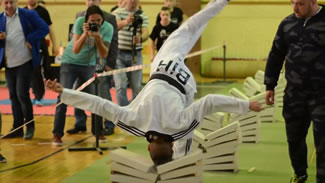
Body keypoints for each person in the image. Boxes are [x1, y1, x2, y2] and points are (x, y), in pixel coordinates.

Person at [46, 0, 261, 165]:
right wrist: (64, 93)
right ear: (148, 148)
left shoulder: (178, 125)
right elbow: (99, 105)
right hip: (164, 67)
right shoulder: (134, 123)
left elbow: (210, 102)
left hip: (182, 80)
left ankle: (178, 162)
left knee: (186, 130)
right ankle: (177, 161)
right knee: (190, 29)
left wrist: (246, 106)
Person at [264, 0, 325, 182]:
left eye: (300, 3)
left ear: (313, 1)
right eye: (292, 2)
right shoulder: (287, 23)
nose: (295, 8)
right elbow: (276, 54)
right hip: (294, 94)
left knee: (323, 142)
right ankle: (300, 174)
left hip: (322, 95)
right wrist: (270, 85)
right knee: (294, 138)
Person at [51, 5, 114, 145]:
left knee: (94, 97)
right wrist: (85, 34)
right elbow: (75, 49)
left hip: (89, 65)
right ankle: (57, 134)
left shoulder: (108, 28)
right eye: (92, 21)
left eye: (99, 20)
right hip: (70, 62)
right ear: (86, 20)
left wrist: (97, 37)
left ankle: (98, 132)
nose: (96, 23)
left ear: (102, 19)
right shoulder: (80, 22)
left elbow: (104, 54)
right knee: (64, 95)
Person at [66, 0, 118, 136]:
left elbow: (113, 44)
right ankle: (80, 122)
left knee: (102, 92)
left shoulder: (110, 19)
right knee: (79, 91)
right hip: (81, 60)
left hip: (100, 60)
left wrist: (110, 63)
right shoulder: (79, 18)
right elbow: (74, 42)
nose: (91, 2)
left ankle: (108, 123)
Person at [0, 0, 49, 139]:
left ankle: (30, 126)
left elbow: (44, 28)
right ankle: (17, 128)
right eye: (6, 3)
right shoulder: (0, 19)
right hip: (9, 64)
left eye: (11, 2)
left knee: (22, 94)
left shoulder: (29, 14)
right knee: (13, 96)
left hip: (25, 62)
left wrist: (31, 38)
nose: (9, 6)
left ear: (16, 2)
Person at [112, 0, 149, 106]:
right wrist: (126, 21)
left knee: (137, 86)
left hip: (136, 54)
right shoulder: (117, 12)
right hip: (119, 54)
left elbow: (146, 32)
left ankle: (134, 112)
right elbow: (115, 27)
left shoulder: (142, 15)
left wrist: (140, 38)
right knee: (120, 86)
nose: (133, 1)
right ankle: (123, 113)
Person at [25, 0, 58, 107]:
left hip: (40, 44)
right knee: (30, 71)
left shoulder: (42, 11)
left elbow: (50, 29)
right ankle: (35, 94)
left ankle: (39, 96)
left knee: (38, 69)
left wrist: (55, 45)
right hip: (26, 45)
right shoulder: (22, 11)